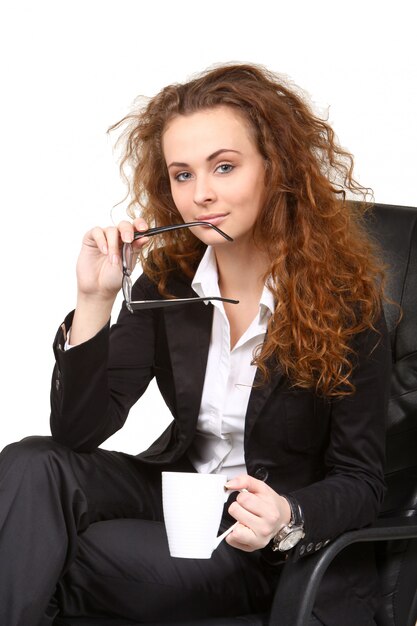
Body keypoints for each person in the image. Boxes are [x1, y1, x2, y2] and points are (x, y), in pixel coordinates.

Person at [0, 63, 391, 626]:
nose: (201, 194)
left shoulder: (344, 301)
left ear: (275, 169)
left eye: (225, 167)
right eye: (182, 175)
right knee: (31, 463)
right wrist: (95, 302)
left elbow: (362, 480)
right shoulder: (170, 280)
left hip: (253, 538)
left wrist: (288, 514)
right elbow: (79, 433)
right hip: (180, 499)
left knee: (50, 546)